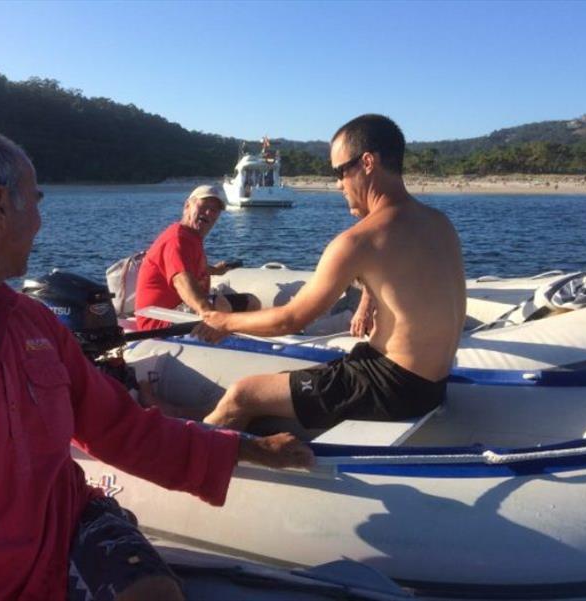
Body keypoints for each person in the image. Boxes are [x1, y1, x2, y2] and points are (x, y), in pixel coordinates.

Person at [0, 125, 314, 601]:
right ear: (0, 206)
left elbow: (121, 427)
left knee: (156, 593)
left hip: (65, 529)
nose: (39, 222)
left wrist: (245, 448)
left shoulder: (34, 323)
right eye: (35, 200)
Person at [196, 114, 467, 431]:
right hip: (431, 383)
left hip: (392, 386)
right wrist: (367, 301)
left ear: (367, 162)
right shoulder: (439, 223)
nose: (338, 184)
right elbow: (399, 279)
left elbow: (291, 319)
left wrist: (224, 322)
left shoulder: (358, 241)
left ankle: (188, 456)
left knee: (242, 394)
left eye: (340, 171)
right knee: (287, 383)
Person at [133, 184, 260, 331]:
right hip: (159, 321)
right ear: (187, 206)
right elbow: (181, 280)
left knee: (251, 302)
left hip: (177, 311)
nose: (208, 213)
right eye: (204, 205)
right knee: (220, 304)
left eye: (214, 210)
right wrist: (209, 313)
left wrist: (215, 270)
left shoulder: (192, 238)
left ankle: (245, 344)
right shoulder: (176, 239)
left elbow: (189, 267)